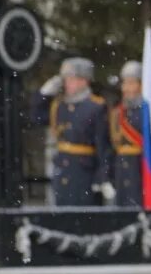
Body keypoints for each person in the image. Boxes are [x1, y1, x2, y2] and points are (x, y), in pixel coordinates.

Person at [30, 57, 112, 206]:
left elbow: (103, 146)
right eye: (66, 79)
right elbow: (36, 118)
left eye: (71, 79)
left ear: (84, 81)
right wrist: (43, 95)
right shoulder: (59, 105)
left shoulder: (96, 107)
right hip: (62, 170)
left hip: (84, 173)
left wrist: (102, 177)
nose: (67, 83)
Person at [110, 60, 145, 207]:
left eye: (131, 83)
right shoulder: (117, 112)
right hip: (121, 169)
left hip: (141, 169)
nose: (126, 88)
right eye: (125, 83)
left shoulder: (148, 111)